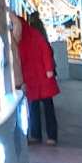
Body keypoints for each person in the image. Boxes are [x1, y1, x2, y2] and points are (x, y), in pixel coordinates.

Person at [13, 10, 59, 146]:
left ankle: (49, 135)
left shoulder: (33, 36)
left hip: (41, 77)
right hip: (33, 78)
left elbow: (46, 51)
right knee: (35, 107)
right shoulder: (22, 40)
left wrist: (49, 69)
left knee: (45, 106)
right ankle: (37, 134)